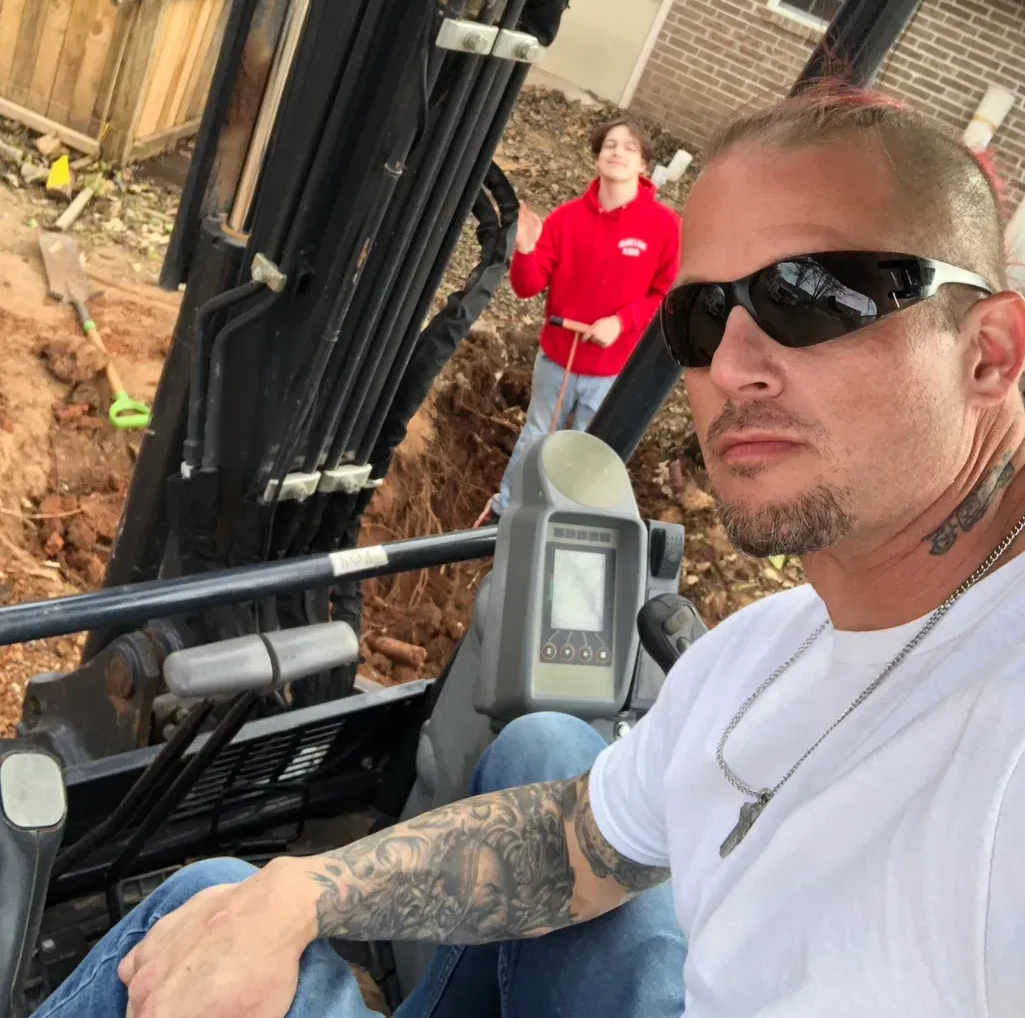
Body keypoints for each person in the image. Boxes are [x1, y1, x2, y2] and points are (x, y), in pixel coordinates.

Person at [35, 82, 1025, 1018]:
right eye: (700, 314)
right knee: (536, 756)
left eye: (808, 294)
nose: (728, 366)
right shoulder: (764, 647)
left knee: (197, 898)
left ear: (987, 351)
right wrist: (303, 889)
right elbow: (571, 846)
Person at [483, 115, 681, 520]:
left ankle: (559, 520)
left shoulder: (663, 226)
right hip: (558, 358)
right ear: (597, 158)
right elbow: (527, 287)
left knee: (587, 452)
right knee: (537, 438)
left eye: (629, 147)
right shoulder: (567, 220)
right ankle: (506, 512)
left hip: (612, 370)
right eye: (610, 145)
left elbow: (666, 294)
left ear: (643, 165)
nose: (617, 152)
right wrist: (524, 248)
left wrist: (621, 322)